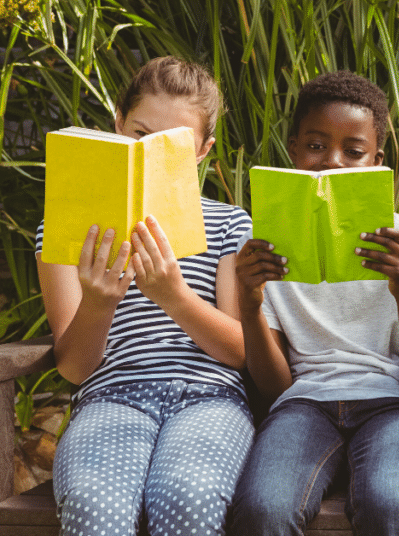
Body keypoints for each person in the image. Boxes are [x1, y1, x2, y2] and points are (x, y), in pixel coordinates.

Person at [37, 56, 253, 536]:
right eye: (139, 133)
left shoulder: (229, 224)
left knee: (188, 497)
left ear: (203, 150)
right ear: (117, 125)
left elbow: (240, 351)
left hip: (209, 398)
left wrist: (175, 297)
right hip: (110, 397)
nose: (150, 149)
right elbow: (73, 368)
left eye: (172, 144)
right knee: (95, 506)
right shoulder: (64, 230)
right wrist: (99, 303)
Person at [229, 70, 399, 536]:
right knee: (264, 508)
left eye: (354, 151)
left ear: (377, 161)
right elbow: (274, 387)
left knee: (393, 504)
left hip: (394, 404)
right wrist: (248, 304)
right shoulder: (260, 242)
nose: (333, 162)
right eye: (316, 146)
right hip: (304, 403)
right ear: (293, 150)